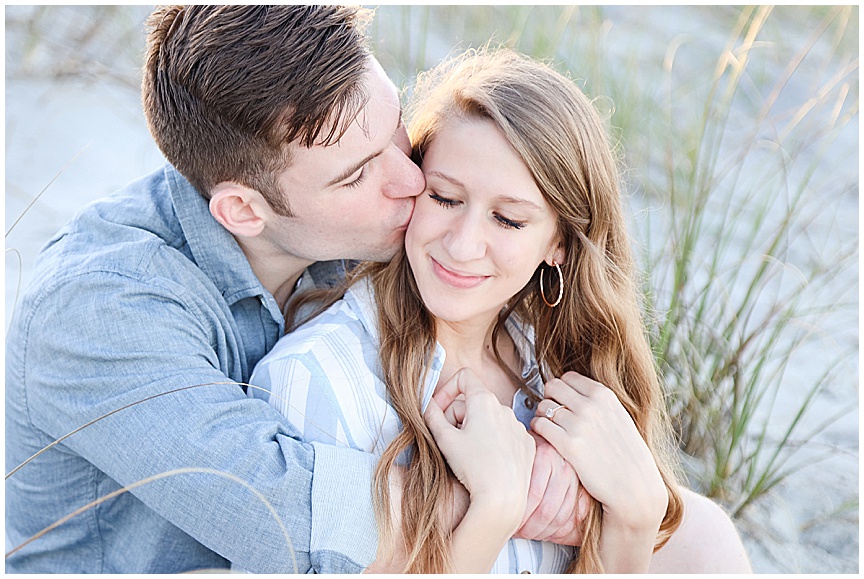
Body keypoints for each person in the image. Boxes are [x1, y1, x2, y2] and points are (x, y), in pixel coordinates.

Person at [4, 6, 583, 573]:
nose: (411, 180)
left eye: (395, 125)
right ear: (243, 211)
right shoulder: (98, 308)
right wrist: (533, 489)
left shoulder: (350, 215)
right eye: (356, 175)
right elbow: (289, 516)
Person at [251, 48, 753, 573]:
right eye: (444, 198)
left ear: (558, 245)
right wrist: (493, 509)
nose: (463, 245)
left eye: (508, 220)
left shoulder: (568, 373)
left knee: (704, 534)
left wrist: (634, 518)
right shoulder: (319, 384)